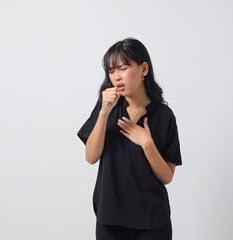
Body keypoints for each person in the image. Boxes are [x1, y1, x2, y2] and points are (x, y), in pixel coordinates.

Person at [77, 37, 182, 240]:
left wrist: (147, 143)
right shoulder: (106, 109)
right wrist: (103, 113)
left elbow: (167, 176)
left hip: (152, 222)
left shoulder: (163, 116)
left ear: (144, 69)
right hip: (109, 219)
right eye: (111, 71)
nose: (116, 77)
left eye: (123, 68)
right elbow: (90, 157)